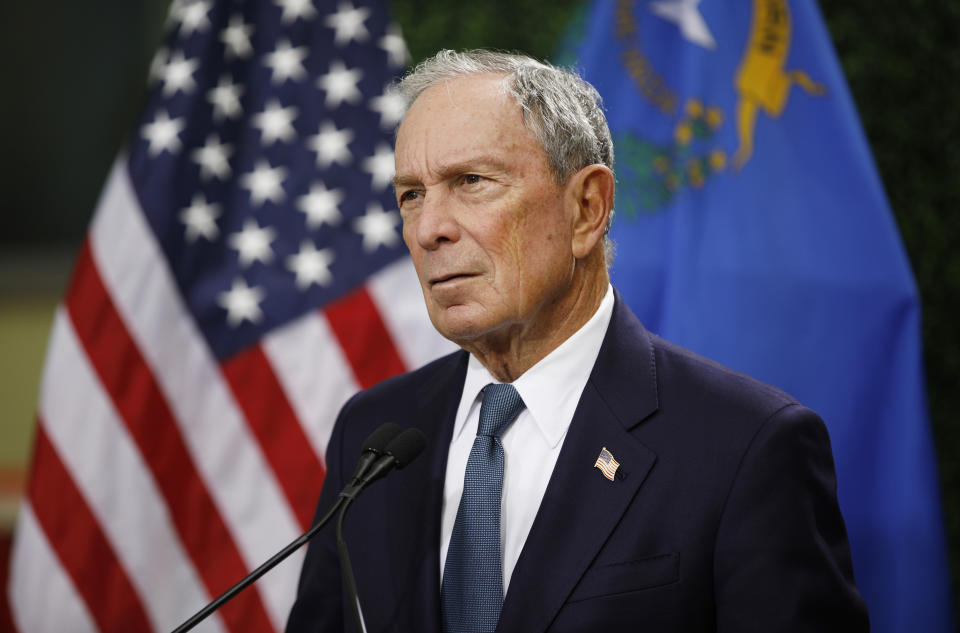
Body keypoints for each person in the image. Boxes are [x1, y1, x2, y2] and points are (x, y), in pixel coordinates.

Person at [286, 49, 868, 633]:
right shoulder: (372, 436)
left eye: (471, 181)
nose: (429, 228)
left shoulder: (746, 446)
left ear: (587, 209)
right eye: (411, 194)